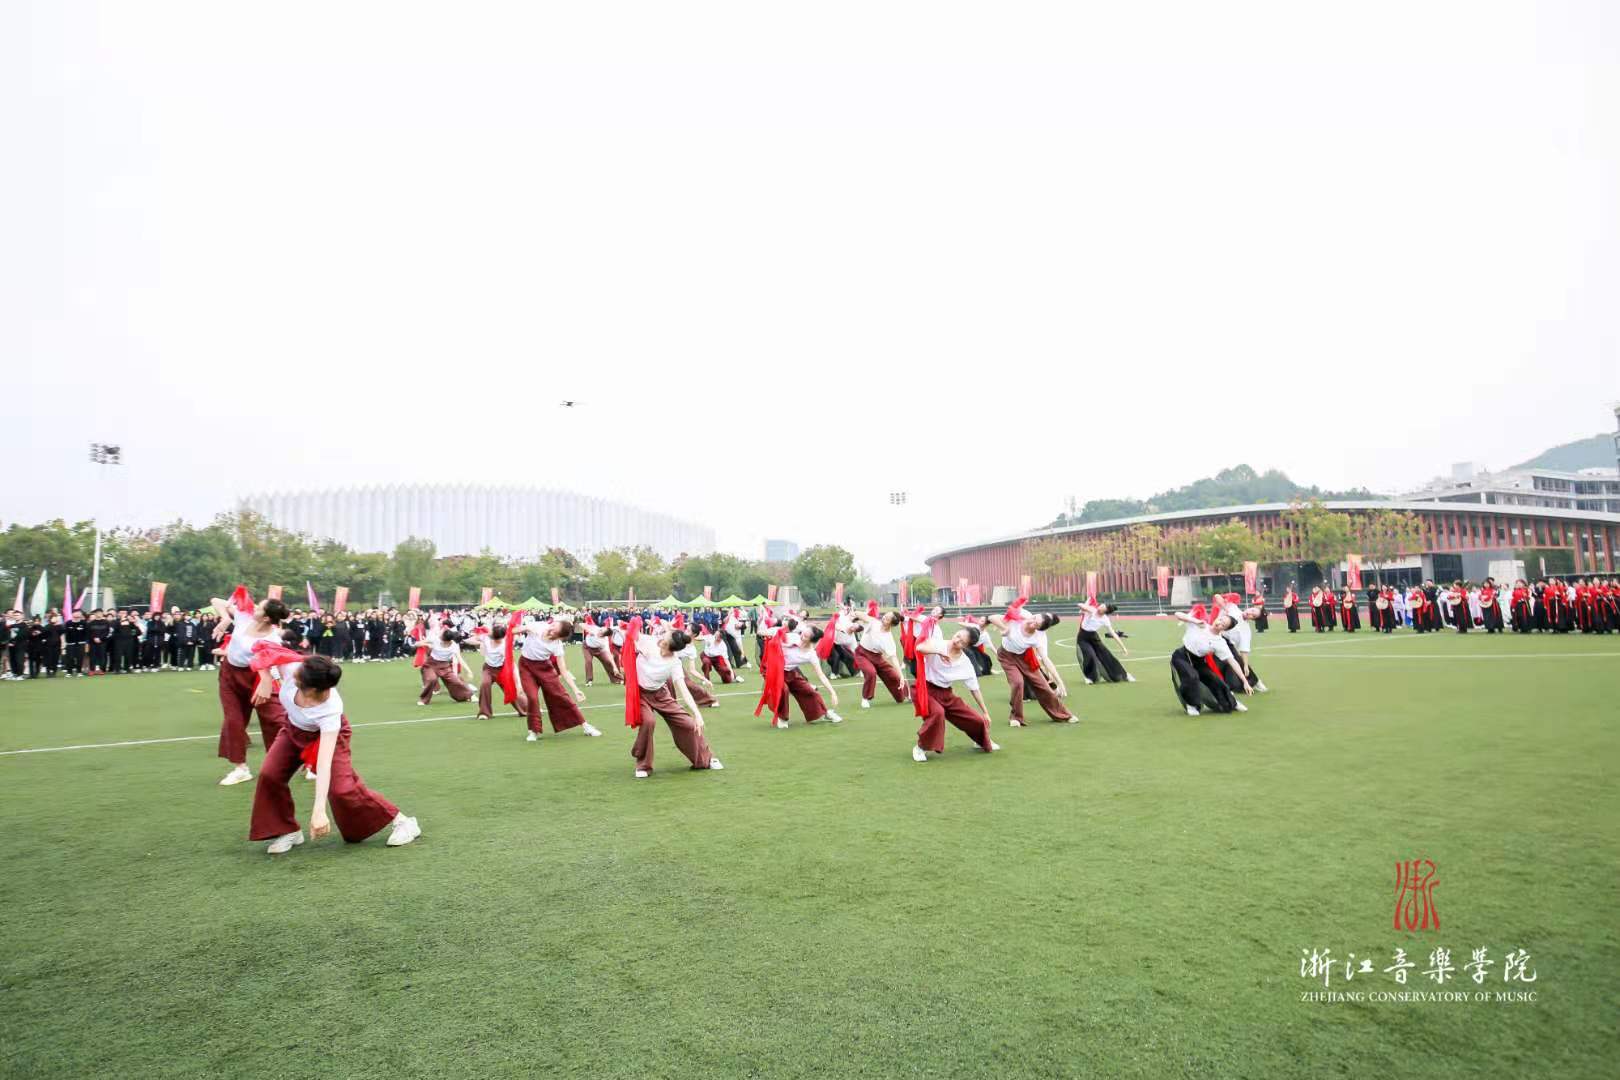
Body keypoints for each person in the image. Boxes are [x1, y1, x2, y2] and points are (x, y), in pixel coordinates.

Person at [246, 652, 420, 854]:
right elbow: (262, 651)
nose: (294, 675)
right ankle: (288, 830)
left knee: (342, 789)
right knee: (270, 775)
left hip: (326, 736)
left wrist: (319, 810)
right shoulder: (294, 668)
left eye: (298, 678)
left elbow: (324, 764)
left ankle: (403, 822)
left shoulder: (330, 709)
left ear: (311, 689)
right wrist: (265, 678)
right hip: (293, 729)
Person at [208, 591, 291, 786]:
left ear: (267, 618)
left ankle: (298, 760)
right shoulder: (244, 616)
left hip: (257, 677)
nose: (255, 608)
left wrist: (265, 683)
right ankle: (241, 769)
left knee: (276, 720)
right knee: (233, 721)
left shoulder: (272, 639)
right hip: (229, 676)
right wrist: (225, 618)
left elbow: (270, 664)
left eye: (259, 608)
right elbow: (216, 600)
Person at [625, 626, 723, 778]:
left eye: (664, 638)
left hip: (660, 694)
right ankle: (643, 765)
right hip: (640, 693)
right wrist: (628, 629)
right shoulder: (649, 641)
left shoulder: (674, 663)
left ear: (668, 646)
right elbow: (631, 633)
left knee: (689, 724)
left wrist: (697, 715)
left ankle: (706, 759)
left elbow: (684, 691)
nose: (661, 638)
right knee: (648, 722)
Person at [910, 624, 997, 762]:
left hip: (946, 694)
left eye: (962, 642)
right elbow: (919, 647)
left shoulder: (965, 663)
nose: (956, 641)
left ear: (966, 646)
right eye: (957, 636)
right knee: (937, 713)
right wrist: (938, 652)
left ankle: (981, 741)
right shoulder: (940, 644)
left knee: (977, 719)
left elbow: (974, 689)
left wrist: (985, 712)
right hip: (924, 689)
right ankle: (920, 747)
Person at [515, 616, 600, 742]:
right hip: (526, 667)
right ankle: (534, 730)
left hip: (545, 668)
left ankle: (585, 726)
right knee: (532, 698)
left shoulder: (557, 646)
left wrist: (576, 690)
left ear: (559, 637)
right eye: (553, 626)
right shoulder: (538, 626)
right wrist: (524, 628)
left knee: (561, 696)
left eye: (555, 631)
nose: (550, 630)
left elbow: (563, 670)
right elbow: (513, 630)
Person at [986, 609, 1075, 726]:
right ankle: (1016, 718)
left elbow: (1046, 660)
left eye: (1035, 624)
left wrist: (1060, 682)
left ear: (1039, 629)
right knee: (1018, 682)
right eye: (1034, 618)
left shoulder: (1039, 637)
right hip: (1006, 657)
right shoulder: (1021, 617)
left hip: (1023, 658)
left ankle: (1063, 715)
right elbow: (991, 617)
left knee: (1043, 686)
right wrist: (1004, 627)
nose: (1031, 622)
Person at [757, 619, 844, 728]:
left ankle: (825, 713)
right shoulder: (791, 637)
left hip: (789, 672)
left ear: (811, 641)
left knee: (810, 691)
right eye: (802, 633)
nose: (802, 637)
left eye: (806, 636)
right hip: (772, 669)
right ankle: (782, 718)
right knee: (783, 689)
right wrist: (767, 632)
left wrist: (833, 692)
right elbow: (763, 633)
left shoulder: (811, 654)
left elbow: (821, 675)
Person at [1168, 608, 1252, 717]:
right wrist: (1195, 621)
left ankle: (1232, 703)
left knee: (1215, 680)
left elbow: (1232, 661)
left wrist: (1245, 681)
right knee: (1191, 677)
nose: (1219, 623)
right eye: (1221, 619)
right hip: (1181, 656)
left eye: (1223, 625)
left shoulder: (1220, 642)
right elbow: (1177, 614)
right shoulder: (1201, 625)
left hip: (1198, 661)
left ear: (1224, 629)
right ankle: (1192, 705)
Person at [847, 608, 910, 708]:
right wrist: (854, 613)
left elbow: (893, 658)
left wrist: (901, 676)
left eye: (887, 618)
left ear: (891, 624)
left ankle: (907, 695)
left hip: (877, 657)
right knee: (871, 672)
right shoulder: (874, 623)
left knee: (894, 676)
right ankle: (865, 698)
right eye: (885, 615)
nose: (883, 618)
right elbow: (862, 615)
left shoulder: (888, 638)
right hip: (861, 653)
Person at [474, 619, 529, 720]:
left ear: (503, 637)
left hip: (502, 670)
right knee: (485, 684)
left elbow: (512, 665)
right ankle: (484, 713)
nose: (497, 641)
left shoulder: (504, 646)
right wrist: (472, 640)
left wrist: (518, 684)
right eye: (495, 638)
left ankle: (527, 709)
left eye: (499, 639)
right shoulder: (486, 638)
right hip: (488, 669)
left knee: (511, 689)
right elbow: (474, 639)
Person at [412, 617, 475, 705]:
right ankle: (424, 700)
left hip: (445, 666)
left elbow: (460, 659)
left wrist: (469, 671)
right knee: (431, 679)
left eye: (442, 640)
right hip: (431, 665)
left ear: (448, 641)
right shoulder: (435, 639)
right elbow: (418, 643)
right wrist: (425, 644)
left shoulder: (454, 646)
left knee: (456, 681)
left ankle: (468, 696)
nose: (440, 640)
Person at [1075, 600, 1133, 684]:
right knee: (1089, 655)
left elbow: (1113, 634)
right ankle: (1090, 678)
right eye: (1101, 605)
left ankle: (1124, 675)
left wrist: (1124, 648)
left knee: (1106, 655)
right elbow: (1079, 605)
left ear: (1105, 612)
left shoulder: (1105, 619)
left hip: (1094, 637)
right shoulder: (1092, 610)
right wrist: (1088, 602)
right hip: (1083, 637)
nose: (1100, 606)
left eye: (1102, 607)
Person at [580, 616, 622, 685]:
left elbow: (609, 655)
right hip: (587, 647)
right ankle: (589, 680)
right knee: (588, 661)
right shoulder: (595, 628)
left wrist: (615, 667)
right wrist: (588, 630)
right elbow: (581, 624)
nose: (600, 630)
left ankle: (616, 680)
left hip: (599, 650)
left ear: (603, 635)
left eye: (601, 630)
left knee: (607, 661)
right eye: (601, 628)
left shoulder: (604, 642)